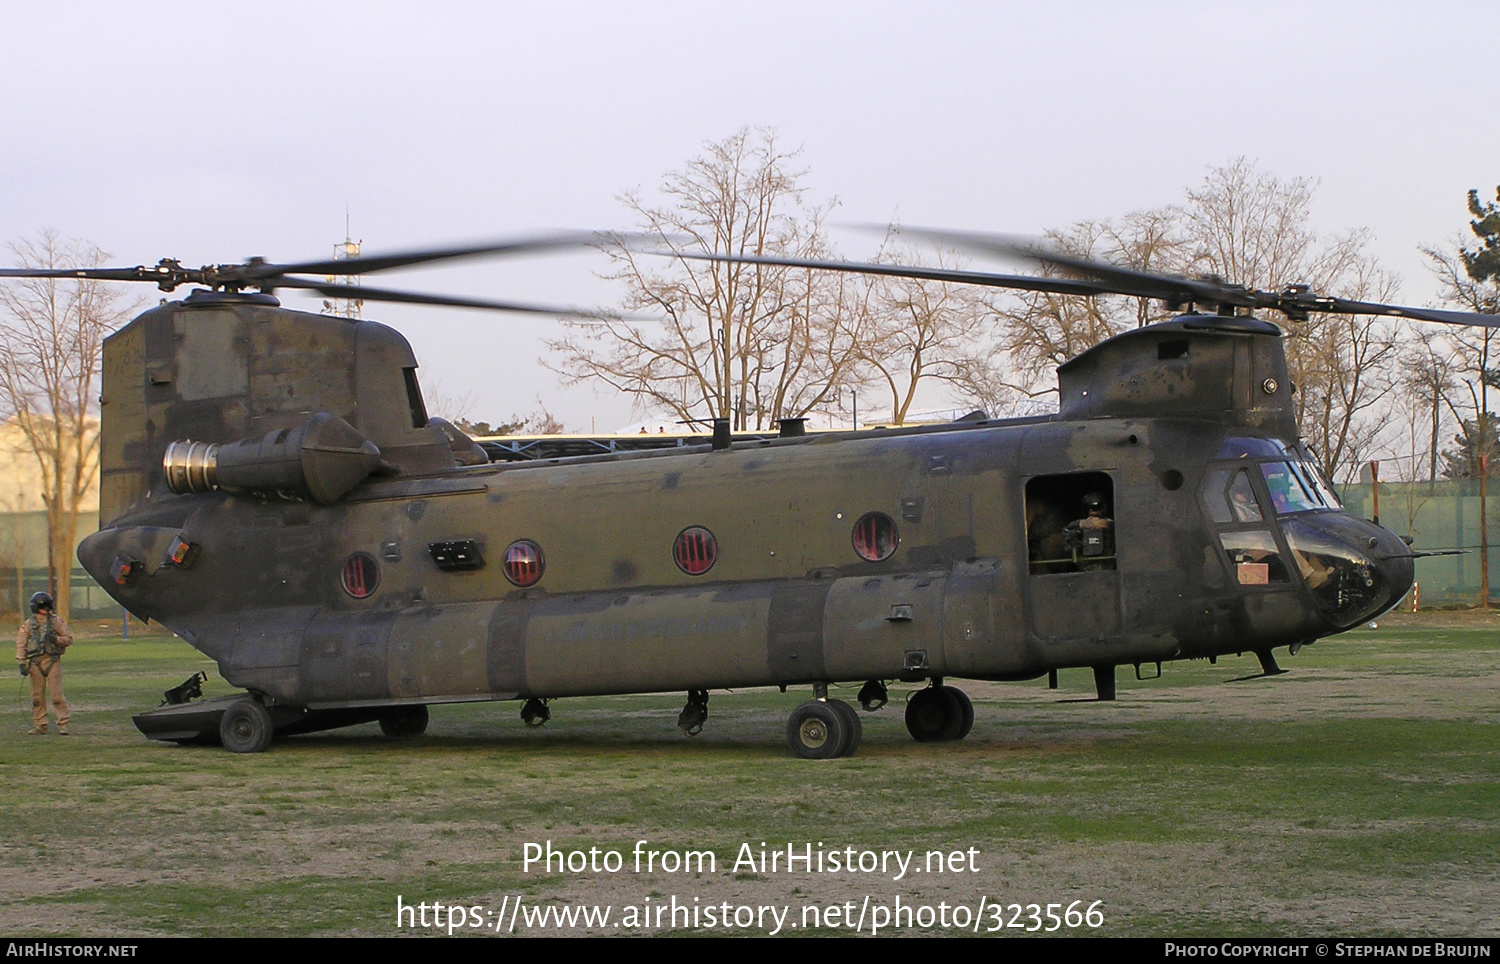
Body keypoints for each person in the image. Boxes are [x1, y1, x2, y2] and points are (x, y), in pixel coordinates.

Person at [16, 591, 72, 735]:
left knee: (57, 696)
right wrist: (21, 662)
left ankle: (63, 724)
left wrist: (55, 640)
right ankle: (40, 724)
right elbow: (21, 643)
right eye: (42, 608)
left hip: (52, 661)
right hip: (35, 663)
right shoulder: (29, 624)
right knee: (37, 697)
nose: (44, 611)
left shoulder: (56, 622)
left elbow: (68, 639)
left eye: (46, 608)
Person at [1064, 492, 1116, 571]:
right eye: (1090, 508)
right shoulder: (1079, 526)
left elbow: (1099, 524)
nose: (1092, 511)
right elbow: (1068, 529)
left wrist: (1084, 523)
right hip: (1085, 566)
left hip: (1107, 565)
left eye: (1096, 508)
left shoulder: (1111, 524)